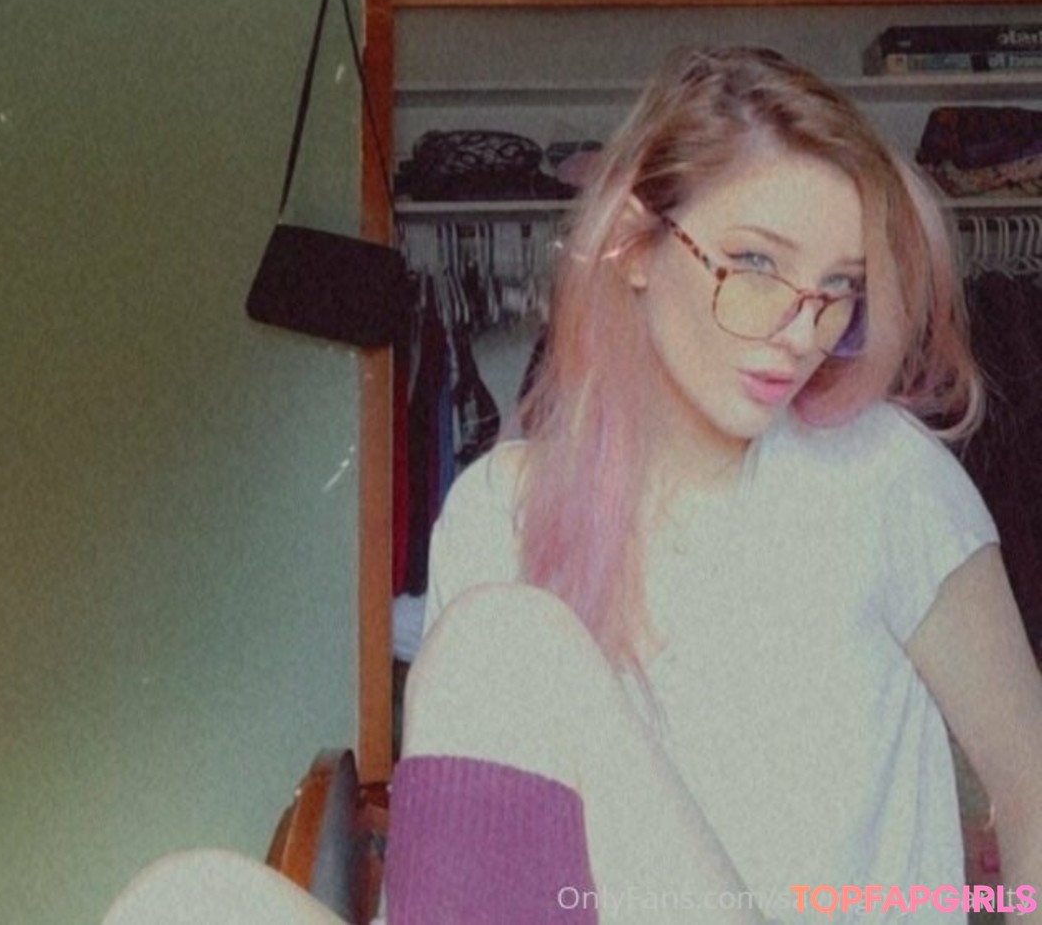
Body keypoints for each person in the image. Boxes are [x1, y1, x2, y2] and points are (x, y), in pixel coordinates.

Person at [103, 48, 1042, 924]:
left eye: (838, 286)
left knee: (509, 640)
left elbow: (1032, 779)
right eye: (757, 264)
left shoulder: (885, 476)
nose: (802, 330)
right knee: (179, 900)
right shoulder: (496, 507)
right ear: (634, 245)